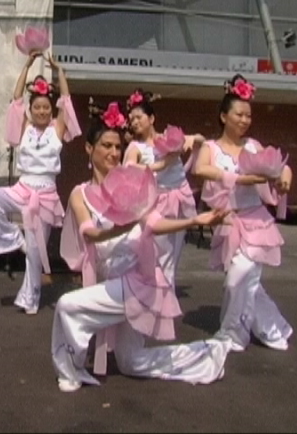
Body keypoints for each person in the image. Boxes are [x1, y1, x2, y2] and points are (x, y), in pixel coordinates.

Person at [53, 101, 231, 393]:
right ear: (88, 148)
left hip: (138, 281)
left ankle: (70, 371)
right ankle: (204, 353)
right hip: (112, 280)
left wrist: (194, 220)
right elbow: (91, 234)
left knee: (67, 306)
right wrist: (121, 226)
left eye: (117, 147)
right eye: (106, 146)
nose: (114, 153)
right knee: (131, 362)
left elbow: (155, 223)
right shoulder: (80, 193)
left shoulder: (133, 186)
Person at [192, 74, 293, 352]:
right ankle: (274, 329)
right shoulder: (211, 148)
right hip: (227, 221)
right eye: (239, 114)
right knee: (245, 283)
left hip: (256, 220)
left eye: (248, 115)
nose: (245, 120)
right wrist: (238, 178)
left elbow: (279, 165)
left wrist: (285, 177)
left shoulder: (252, 146)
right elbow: (201, 169)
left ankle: (233, 333)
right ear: (224, 116)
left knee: (240, 277)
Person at [0, 51, 81, 315]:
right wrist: (26, 65)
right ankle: (13, 237)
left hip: (45, 195)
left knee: (35, 253)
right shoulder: (24, 127)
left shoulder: (57, 129)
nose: (42, 111)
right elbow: (16, 100)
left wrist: (59, 71)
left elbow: (66, 101)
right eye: (37, 107)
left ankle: (30, 299)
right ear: (31, 110)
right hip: (22, 188)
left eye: (46, 107)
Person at [123, 89, 205, 289]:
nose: (135, 122)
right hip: (158, 202)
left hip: (180, 198)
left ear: (151, 118)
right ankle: (161, 294)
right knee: (161, 254)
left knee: (173, 254)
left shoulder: (169, 138)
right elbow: (129, 168)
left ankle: (165, 292)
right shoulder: (135, 147)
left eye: (139, 117)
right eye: (132, 119)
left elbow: (201, 140)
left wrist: (191, 140)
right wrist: (161, 165)